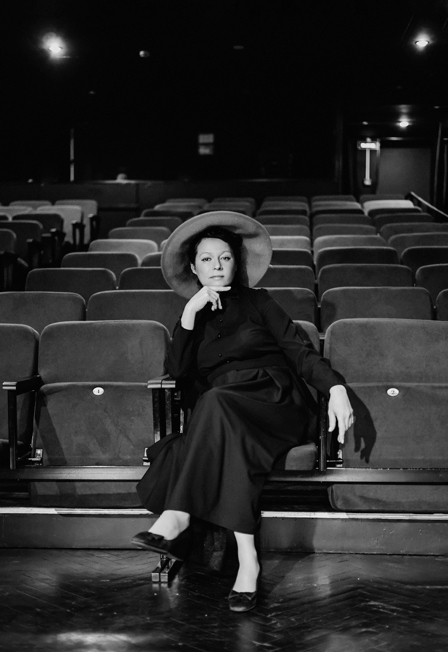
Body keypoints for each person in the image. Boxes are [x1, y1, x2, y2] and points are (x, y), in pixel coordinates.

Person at [132, 211, 354, 612]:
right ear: (193, 268)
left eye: (225, 257)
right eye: (206, 259)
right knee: (225, 424)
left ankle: (178, 514)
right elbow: (178, 375)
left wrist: (335, 387)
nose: (217, 266)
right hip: (225, 414)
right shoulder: (190, 316)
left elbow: (299, 352)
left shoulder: (259, 301)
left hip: (275, 399)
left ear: (236, 262)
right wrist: (189, 314)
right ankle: (248, 562)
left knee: (216, 403)